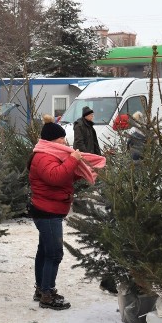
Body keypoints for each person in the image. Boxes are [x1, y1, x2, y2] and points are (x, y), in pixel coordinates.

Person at [29, 115, 105, 310]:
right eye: (61, 138)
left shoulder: (51, 155)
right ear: (52, 140)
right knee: (54, 253)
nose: (64, 141)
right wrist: (72, 160)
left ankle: (41, 288)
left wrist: (79, 170)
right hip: (47, 211)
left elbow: (62, 177)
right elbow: (55, 177)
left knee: (44, 250)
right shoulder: (43, 156)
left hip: (49, 208)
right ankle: (47, 293)